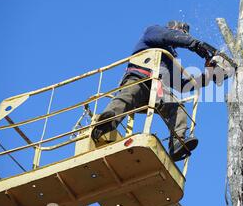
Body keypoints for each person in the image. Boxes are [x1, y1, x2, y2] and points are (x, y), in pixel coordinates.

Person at [91, 20, 220, 161]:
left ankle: (177, 142)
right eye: (181, 34)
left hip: (157, 89)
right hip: (139, 78)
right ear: (173, 29)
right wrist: (195, 44)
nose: (182, 37)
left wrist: (209, 76)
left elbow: (182, 85)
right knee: (128, 95)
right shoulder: (154, 32)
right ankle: (105, 123)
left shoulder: (169, 58)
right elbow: (169, 36)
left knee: (177, 108)